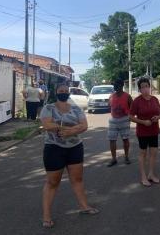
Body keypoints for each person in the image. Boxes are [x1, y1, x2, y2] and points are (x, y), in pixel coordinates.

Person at [40, 83, 99, 229]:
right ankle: (46, 216)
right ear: (56, 92)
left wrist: (68, 131)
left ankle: (84, 206)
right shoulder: (48, 108)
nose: (63, 93)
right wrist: (71, 128)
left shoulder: (76, 108)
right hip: (54, 148)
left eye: (66, 91)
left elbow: (84, 125)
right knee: (52, 182)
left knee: (77, 179)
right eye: (61, 91)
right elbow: (47, 125)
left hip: (75, 148)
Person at [129, 78, 160, 187]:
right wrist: (143, 122)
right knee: (143, 154)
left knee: (153, 153)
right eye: (142, 87)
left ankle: (151, 174)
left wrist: (157, 117)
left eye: (147, 86)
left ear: (150, 87)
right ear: (139, 89)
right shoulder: (137, 101)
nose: (145, 89)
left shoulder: (154, 99)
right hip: (142, 132)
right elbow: (130, 117)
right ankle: (143, 177)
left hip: (154, 130)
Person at [106, 79, 133, 167]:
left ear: (121, 86)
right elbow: (109, 105)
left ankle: (126, 157)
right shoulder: (111, 96)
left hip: (124, 120)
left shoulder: (127, 96)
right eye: (114, 85)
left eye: (116, 84)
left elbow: (132, 107)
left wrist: (129, 116)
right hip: (113, 120)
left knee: (125, 139)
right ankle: (114, 159)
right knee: (112, 140)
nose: (115, 86)